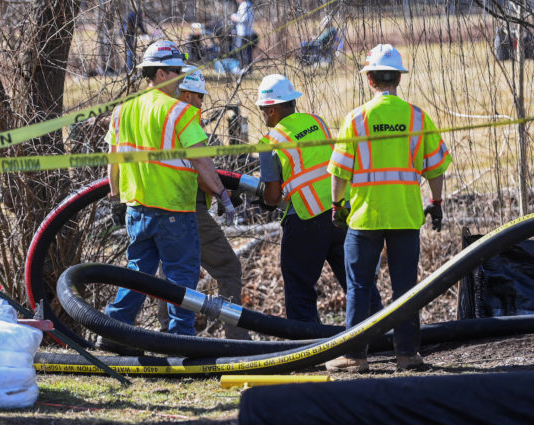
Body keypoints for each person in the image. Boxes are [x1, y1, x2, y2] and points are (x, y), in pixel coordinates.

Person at [98, 41, 238, 355]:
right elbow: (201, 160)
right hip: (174, 209)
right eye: (176, 73)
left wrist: (115, 199)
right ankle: (179, 342)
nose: (179, 79)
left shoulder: (123, 109)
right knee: (182, 278)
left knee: (138, 273)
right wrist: (222, 195)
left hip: (137, 209)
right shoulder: (180, 111)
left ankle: (113, 331)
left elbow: (113, 159)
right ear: (161, 73)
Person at [325, 44, 452, 373]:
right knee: (405, 289)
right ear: (398, 78)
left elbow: (339, 172)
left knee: (359, 287)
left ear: (369, 80)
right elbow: (436, 168)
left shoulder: (357, 119)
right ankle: (407, 355)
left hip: (366, 218)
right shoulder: (416, 117)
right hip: (406, 216)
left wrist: (337, 205)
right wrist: (436, 204)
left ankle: (355, 357)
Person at [156, 66, 251, 340]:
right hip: (187, 208)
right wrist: (224, 195)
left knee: (172, 273)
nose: (201, 103)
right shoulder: (184, 119)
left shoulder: (160, 118)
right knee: (228, 267)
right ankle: (237, 338)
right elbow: (199, 169)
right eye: (199, 97)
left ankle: (168, 334)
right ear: (185, 94)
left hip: (159, 207)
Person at [256, 74, 350, 324]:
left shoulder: (269, 142)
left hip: (306, 218)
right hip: (340, 212)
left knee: (299, 287)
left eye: (263, 109)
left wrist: (263, 200)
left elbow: (274, 196)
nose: (262, 114)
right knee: (356, 282)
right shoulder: (317, 122)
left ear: (273, 109)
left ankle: (308, 347)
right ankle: (379, 335)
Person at [230, 0, 254, 68]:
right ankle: (246, 68)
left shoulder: (245, 5)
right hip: (245, 32)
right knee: (245, 52)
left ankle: (245, 68)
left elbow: (244, 19)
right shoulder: (246, 4)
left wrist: (235, 17)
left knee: (244, 52)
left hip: (244, 33)